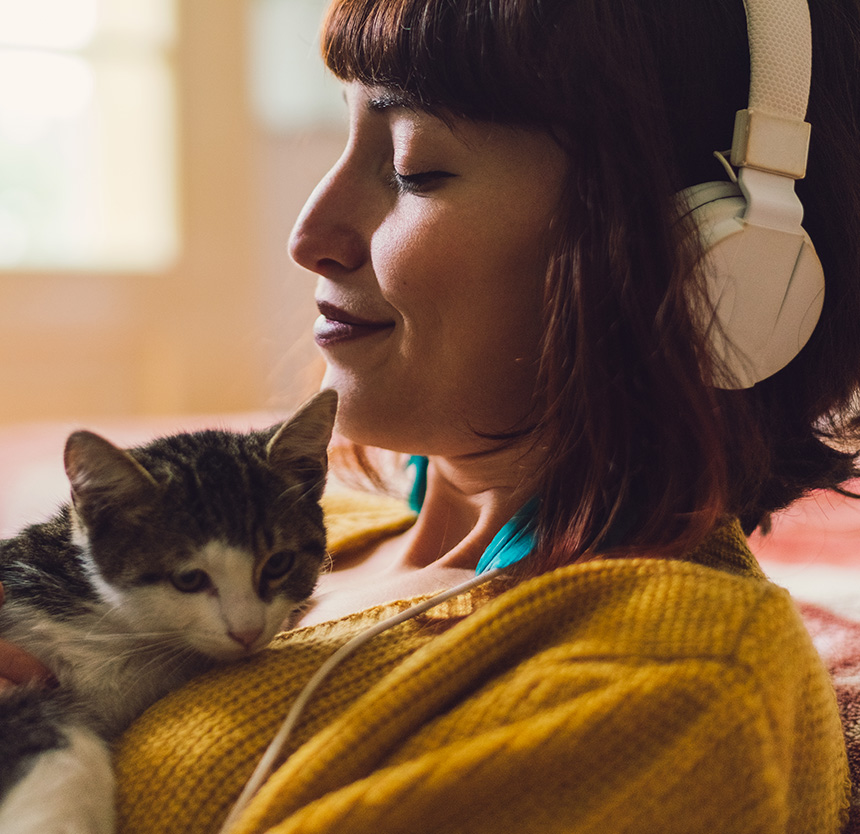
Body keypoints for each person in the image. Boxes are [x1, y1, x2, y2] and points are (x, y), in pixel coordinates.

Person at [2, 0, 859, 830]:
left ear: (704, 261)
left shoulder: (674, 683)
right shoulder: (327, 521)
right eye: (343, 133)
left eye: (415, 168)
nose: (309, 234)